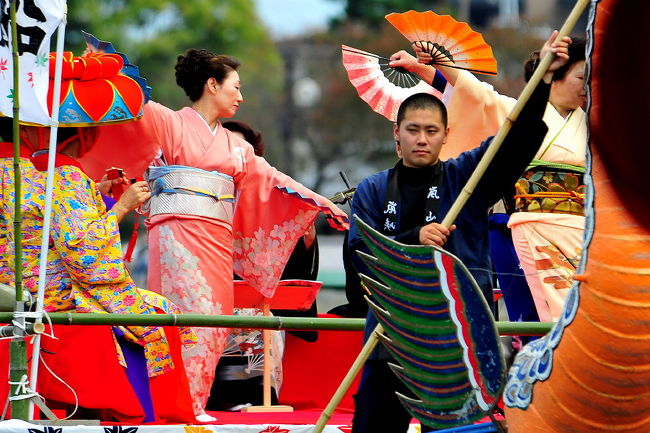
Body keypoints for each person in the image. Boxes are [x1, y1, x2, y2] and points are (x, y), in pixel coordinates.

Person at [87, 49, 348, 420]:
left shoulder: (237, 147)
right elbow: (133, 101)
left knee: (215, 316)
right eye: (235, 87)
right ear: (212, 85)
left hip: (216, 240)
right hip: (175, 235)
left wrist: (322, 204)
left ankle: (194, 401)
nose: (240, 96)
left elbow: (274, 181)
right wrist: (102, 66)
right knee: (183, 314)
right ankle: (177, 403)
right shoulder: (170, 123)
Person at [348, 33, 570, 433]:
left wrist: (541, 80)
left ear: (446, 135)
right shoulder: (372, 190)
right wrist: (412, 240)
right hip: (393, 335)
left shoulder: (465, 176)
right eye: (412, 129)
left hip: (460, 337)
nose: (421, 139)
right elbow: (358, 261)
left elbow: (516, 141)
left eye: (431, 131)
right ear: (395, 134)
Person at [0, 120, 196, 423]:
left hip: (15, 287)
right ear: (85, 135)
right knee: (158, 313)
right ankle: (152, 416)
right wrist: (121, 207)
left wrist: (95, 194)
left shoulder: (16, 170)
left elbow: (46, 218)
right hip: (56, 295)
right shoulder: (64, 174)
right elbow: (82, 251)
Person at [390, 32, 587, 322]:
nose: (590, 86)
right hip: (525, 230)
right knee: (537, 319)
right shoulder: (514, 113)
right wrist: (432, 67)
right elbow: (475, 97)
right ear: (555, 74)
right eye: (582, 78)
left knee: (584, 313)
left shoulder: (594, 124)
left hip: (580, 233)